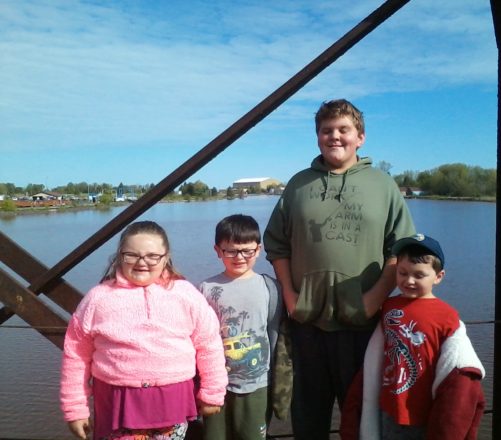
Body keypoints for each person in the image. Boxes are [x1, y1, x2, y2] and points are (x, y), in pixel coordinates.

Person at [263, 99, 416, 439]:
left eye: (343, 130)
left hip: (362, 325)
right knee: (307, 418)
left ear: (360, 137)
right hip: (306, 323)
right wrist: (289, 294)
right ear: (317, 137)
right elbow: (276, 244)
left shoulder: (382, 185)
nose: (335, 136)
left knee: (361, 418)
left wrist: (374, 299)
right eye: (326, 130)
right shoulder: (298, 185)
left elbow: (400, 249)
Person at [60, 220, 228, 440]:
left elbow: (209, 344)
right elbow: (76, 355)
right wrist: (75, 408)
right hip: (115, 403)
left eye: (152, 256)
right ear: (120, 256)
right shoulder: (98, 298)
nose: (142, 262)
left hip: (173, 402)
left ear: (166, 257)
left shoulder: (186, 294)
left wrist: (213, 392)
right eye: (132, 255)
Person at [340, 233, 485, 440]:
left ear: (438, 276)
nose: (409, 280)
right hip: (388, 405)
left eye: (419, 275)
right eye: (403, 272)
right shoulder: (389, 305)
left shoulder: (447, 316)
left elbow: (453, 361)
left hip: (421, 410)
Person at [199, 214, 283, 440]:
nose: (240, 257)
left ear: (258, 249)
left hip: (258, 384)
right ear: (218, 250)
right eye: (231, 251)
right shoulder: (206, 288)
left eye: (247, 251)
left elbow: (275, 331)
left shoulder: (270, 287)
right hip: (217, 385)